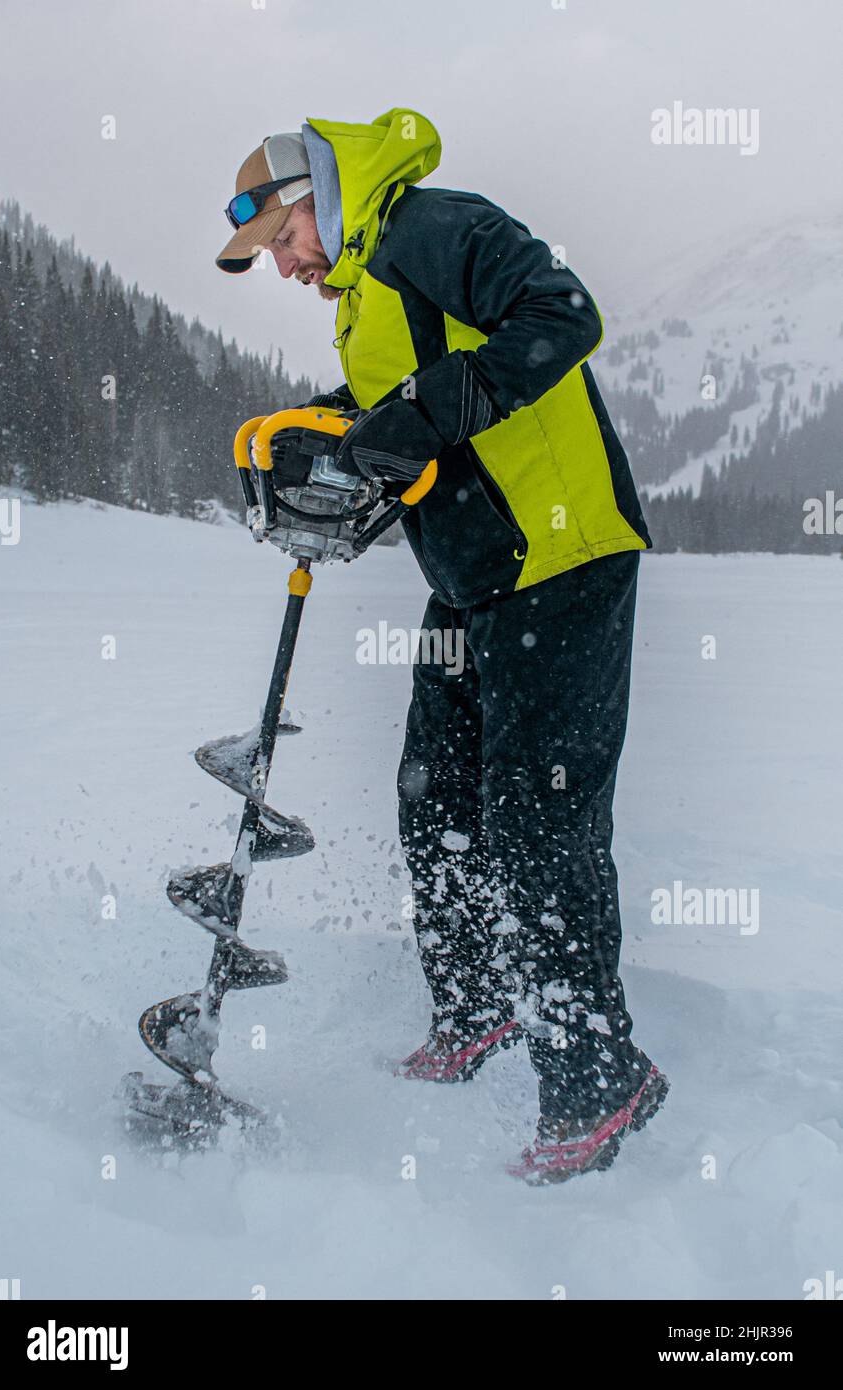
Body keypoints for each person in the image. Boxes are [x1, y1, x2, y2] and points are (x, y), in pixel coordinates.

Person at [215, 108, 667, 1183]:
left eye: (279, 241)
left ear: (310, 194)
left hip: (563, 559)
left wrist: (417, 409)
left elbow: (561, 314)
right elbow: (407, 413)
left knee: (537, 821)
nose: (282, 267)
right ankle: (472, 1012)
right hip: (472, 581)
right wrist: (326, 436)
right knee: (436, 799)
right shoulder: (364, 294)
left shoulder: (427, 227)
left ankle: (600, 1077)